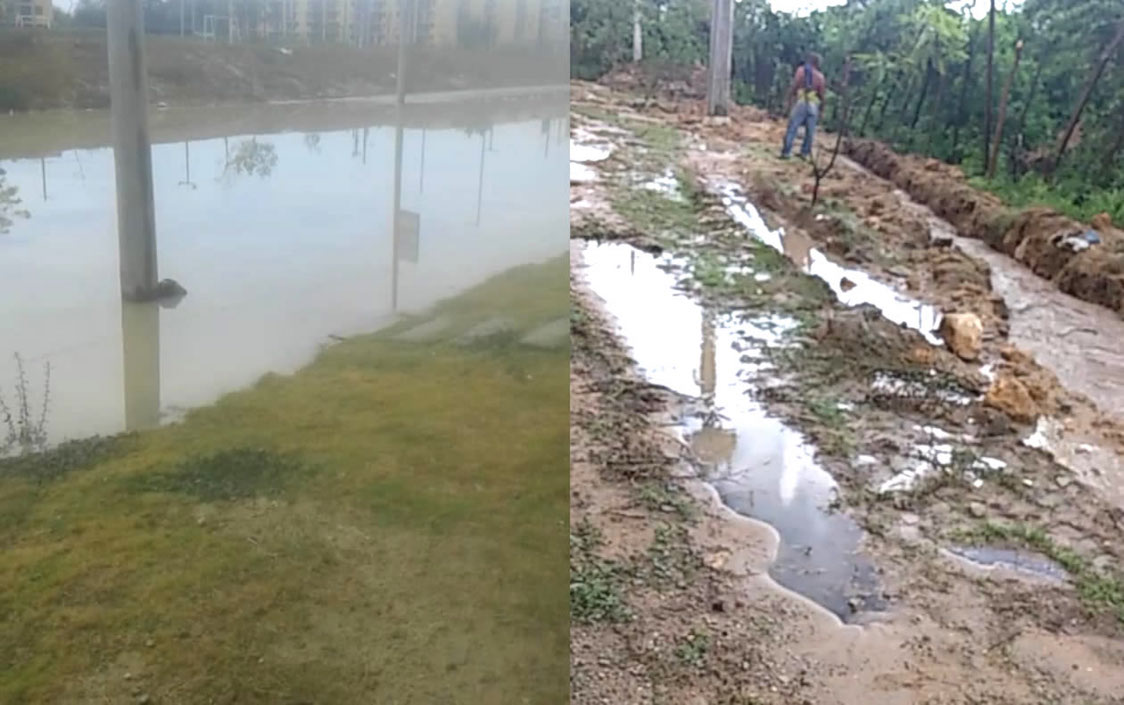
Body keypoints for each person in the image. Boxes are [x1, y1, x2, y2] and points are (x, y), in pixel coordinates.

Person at [780, 53, 826, 160]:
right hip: (813, 104)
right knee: (810, 131)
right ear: (817, 63)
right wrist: (822, 110)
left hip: (801, 101)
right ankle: (804, 153)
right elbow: (822, 94)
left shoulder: (801, 71)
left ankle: (786, 152)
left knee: (793, 127)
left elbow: (794, 85)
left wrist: (789, 99)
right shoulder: (820, 77)